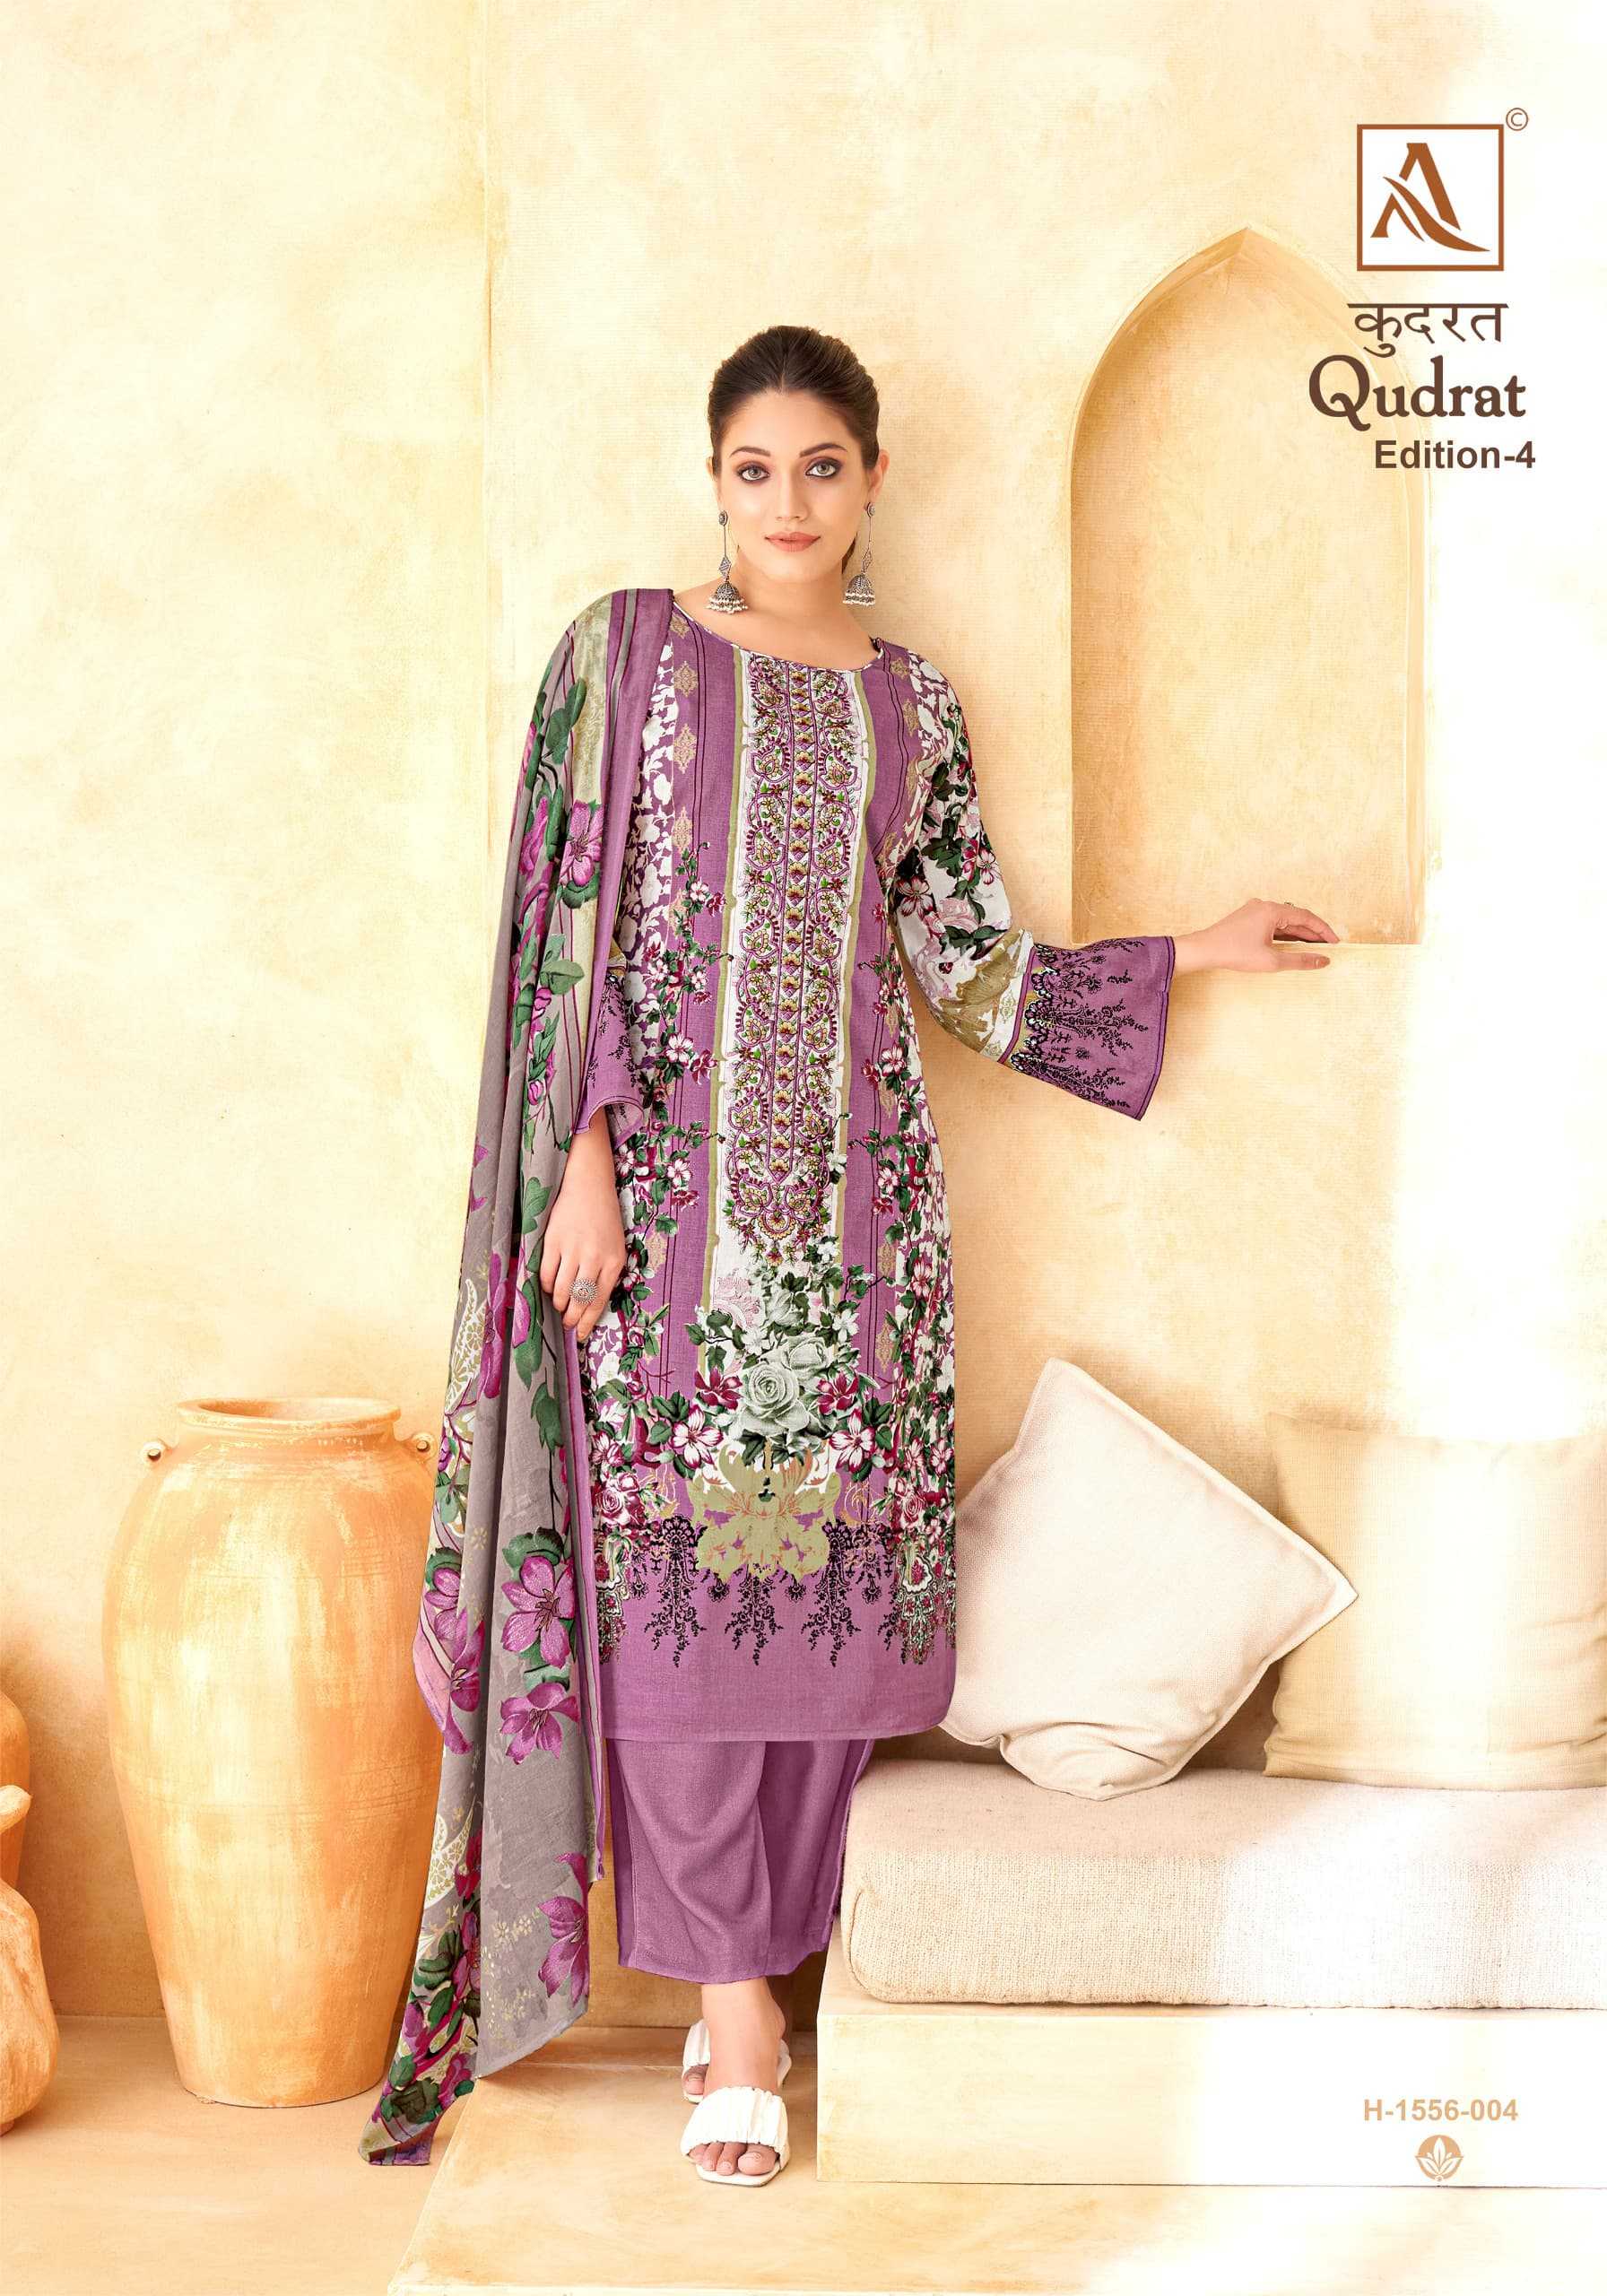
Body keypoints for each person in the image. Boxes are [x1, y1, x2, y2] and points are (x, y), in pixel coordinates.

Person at [537, 325, 1339, 2187]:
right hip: (662, 1245)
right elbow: (567, 935)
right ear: (712, 479)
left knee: (813, 1629)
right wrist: (580, 1162)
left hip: (855, 1247)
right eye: (754, 468)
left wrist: (1188, 952)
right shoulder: (626, 660)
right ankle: (737, 2011)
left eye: (821, 466)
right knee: (676, 1631)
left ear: (873, 479)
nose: (786, 502)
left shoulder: (911, 703)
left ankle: (758, 1986)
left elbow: (966, 967)